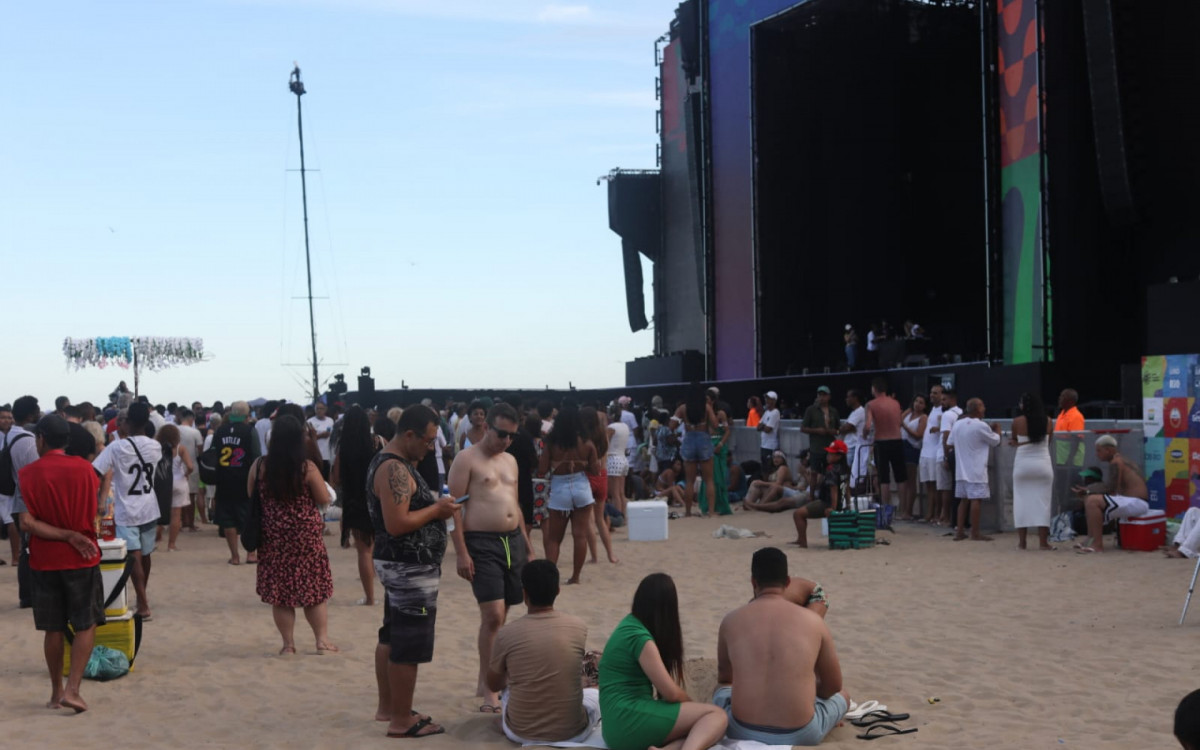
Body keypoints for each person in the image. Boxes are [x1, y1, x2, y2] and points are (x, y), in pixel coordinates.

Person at [367, 405, 460, 738]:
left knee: (392, 635)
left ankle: (391, 708)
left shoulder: (392, 462)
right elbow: (397, 523)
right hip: (408, 567)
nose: (431, 447)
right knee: (408, 643)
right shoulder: (393, 467)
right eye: (428, 440)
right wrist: (437, 510)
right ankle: (401, 720)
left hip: (401, 564)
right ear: (409, 435)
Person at [448, 402, 535, 714]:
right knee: (493, 615)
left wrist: (528, 545)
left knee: (505, 610)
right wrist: (461, 552)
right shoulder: (466, 459)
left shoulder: (510, 460)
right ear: (486, 427)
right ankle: (490, 690)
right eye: (501, 434)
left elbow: (515, 504)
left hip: (512, 540)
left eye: (512, 436)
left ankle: (488, 675)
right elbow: (453, 508)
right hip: (481, 542)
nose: (506, 441)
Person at [714, 547, 847, 746]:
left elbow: (725, 678)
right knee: (844, 696)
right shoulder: (814, 621)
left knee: (722, 690)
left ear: (753, 582)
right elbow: (833, 686)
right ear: (788, 582)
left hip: (740, 729)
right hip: (802, 733)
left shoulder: (731, 620)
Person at [19, 415, 103, 713]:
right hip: (83, 556)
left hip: (44, 560)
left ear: (41, 438)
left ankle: (56, 692)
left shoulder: (28, 474)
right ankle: (73, 689)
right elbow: (95, 509)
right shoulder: (86, 470)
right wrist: (71, 534)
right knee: (86, 623)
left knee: (52, 628)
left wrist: (63, 535)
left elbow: (27, 522)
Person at [599, 573, 727, 750]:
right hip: (627, 720)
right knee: (716, 716)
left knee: (697, 733)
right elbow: (671, 693)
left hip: (614, 725)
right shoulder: (640, 638)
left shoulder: (628, 625)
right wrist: (691, 705)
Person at [247, 415, 336, 654]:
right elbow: (323, 498)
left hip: (273, 536)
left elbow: (251, 495)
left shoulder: (259, 466)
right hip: (306, 535)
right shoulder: (307, 467)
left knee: (281, 594)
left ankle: (288, 644)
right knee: (314, 590)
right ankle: (321, 641)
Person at [486, 559, 600, 745]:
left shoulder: (507, 633)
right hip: (573, 732)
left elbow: (493, 684)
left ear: (524, 593)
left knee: (509, 686)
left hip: (520, 733)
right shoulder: (578, 626)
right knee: (593, 695)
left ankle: (506, 722)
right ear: (558, 591)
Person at [92, 402, 161, 619]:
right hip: (150, 506)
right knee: (146, 554)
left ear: (128, 422)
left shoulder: (116, 447)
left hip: (126, 510)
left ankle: (143, 603)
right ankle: (142, 596)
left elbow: (95, 471)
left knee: (133, 555)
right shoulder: (155, 446)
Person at [538, 403, 600, 586]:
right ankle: (575, 576)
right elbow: (596, 471)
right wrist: (581, 464)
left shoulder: (552, 443)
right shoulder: (587, 443)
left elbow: (542, 470)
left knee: (554, 538)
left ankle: (550, 577)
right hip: (581, 486)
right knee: (580, 535)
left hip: (560, 488)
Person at [332, 405, 380, 606]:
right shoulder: (377, 443)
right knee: (377, 548)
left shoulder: (344, 447)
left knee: (364, 552)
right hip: (377, 501)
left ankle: (369, 597)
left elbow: (336, 479)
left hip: (354, 502)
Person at [1073, 435, 1149, 554]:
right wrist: (1088, 491)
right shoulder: (1121, 460)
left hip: (1137, 503)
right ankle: (1090, 539)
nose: (1097, 454)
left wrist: (1088, 490)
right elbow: (1111, 488)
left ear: (1108, 450)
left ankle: (1097, 545)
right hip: (1136, 501)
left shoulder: (1116, 462)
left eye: (1099, 451)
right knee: (1089, 499)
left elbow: (1111, 489)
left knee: (1092, 501)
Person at [209, 401, 260, 565]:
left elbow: (213, 454)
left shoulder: (220, 431)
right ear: (247, 415)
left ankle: (235, 556)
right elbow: (256, 456)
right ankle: (251, 553)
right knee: (247, 517)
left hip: (224, 479)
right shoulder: (250, 431)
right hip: (245, 480)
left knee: (228, 520)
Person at [946, 398, 1002, 542]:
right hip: (976, 469)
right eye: (982, 406)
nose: (984, 409)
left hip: (961, 469)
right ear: (977, 409)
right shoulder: (981, 425)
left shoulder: (958, 424)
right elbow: (995, 441)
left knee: (963, 500)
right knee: (976, 499)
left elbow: (949, 442)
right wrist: (997, 430)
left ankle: (959, 531)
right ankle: (975, 533)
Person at [1010, 392, 1055, 550]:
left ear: (1024, 405)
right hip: (1043, 464)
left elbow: (1015, 440)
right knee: (1043, 504)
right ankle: (1043, 542)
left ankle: (1022, 543)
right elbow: (1048, 442)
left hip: (1023, 465)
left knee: (1021, 503)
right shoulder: (1048, 421)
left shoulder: (1017, 421)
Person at [792, 441, 849, 548]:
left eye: (831, 454)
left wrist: (833, 508)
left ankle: (802, 541)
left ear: (839, 456)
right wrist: (848, 505)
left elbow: (833, 489)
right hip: (839, 503)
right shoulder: (845, 469)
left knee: (798, 514)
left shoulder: (831, 469)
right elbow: (847, 488)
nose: (828, 456)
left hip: (827, 503)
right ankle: (800, 539)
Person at [579, 406, 618, 565]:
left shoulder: (582, 438)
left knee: (589, 520)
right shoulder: (604, 436)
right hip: (602, 476)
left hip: (587, 477)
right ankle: (610, 555)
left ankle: (594, 556)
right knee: (600, 520)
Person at [674, 386, 718, 518]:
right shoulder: (706, 407)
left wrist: (682, 421)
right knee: (709, 480)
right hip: (703, 438)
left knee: (689, 481)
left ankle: (688, 512)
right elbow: (715, 425)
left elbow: (672, 425)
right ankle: (711, 512)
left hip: (689, 438)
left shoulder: (683, 408)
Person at [864, 377, 905, 509]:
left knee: (884, 478)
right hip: (897, 440)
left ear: (874, 389)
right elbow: (899, 422)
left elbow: (868, 425)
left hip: (881, 441)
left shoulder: (871, 404)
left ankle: (885, 508)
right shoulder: (895, 403)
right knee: (900, 477)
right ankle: (904, 510)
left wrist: (864, 434)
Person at [157, 424, 195, 552]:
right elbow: (190, 466)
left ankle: (156, 537)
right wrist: (186, 474)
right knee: (176, 515)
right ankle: (171, 545)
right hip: (179, 481)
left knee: (159, 512)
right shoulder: (180, 449)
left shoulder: (157, 448)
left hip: (163, 482)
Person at [700, 388, 733, 516]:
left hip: (719, 445)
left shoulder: (721, 414)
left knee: (719, 477)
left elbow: (727, 431)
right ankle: (708, 506)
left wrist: (720, 444)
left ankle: (720, 506)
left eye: (707, 400)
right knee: (709, 477)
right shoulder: (703, 414)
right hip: (708, 445)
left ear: (713, 401)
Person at [174, 408, 205, 530]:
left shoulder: (175, 430)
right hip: (192, 465)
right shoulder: (195, 432)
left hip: (176, 465)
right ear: (191, 419)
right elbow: (200, 450)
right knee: (191, 495)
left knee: (178, 496)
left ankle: (180, 522)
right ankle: (190, 523)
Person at [899, 395, 927, 521]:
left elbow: (918, 435)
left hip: (912, 447)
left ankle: (909, 510)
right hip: (902, 445)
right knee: (903, 480)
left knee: (910, 480)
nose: (918, 404)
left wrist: (905, 427)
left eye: (921, 402)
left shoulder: (923, 417)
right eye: (916, 401)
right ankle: (902, 509)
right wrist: (906, 412)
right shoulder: (909, 413)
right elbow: (899, 420)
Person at [936, 388, 962, 526]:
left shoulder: (947, 415)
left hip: (945, 453)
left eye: (944, 399)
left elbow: (946, 435)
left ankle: (946, 517)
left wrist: (946, 457)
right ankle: (947, 516)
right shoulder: (962, 413)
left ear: (952, 399)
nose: (942, 402)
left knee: (945, 487)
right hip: (958, 454)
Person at [800, 386, 839, 479]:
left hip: (830, 447)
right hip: (816, 448)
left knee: (831, 472)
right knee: (814, 473)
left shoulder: (833, 411)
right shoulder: (811, 410)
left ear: (829, 397)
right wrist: (816, 430)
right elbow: (803, 428)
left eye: (824, 395)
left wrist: (831, 431)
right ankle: (813, 489)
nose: (822, 397)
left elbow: (838, 430)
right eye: (820, 395)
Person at [919, 384, 945, 524]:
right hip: (925, 452)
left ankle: (936, 514)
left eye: (936, 393)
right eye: (931, 392)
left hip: (934, 453)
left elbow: (945, 429)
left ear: (942, 395)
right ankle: (929, 514)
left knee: (936, 487)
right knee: (929, 487)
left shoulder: (943, 410)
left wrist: (938, 428)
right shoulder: (932, 410)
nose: (932, 395)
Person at [838, 390, 870, 492]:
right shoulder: (853, 412)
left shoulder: (860, 411)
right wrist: (845, 428)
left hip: (854, 446)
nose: (846, 399)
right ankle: (847, 494)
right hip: (849, 446)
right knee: (846, 473)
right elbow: (847, 427)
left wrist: (842, 429)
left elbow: (848, 427)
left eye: (848, 397)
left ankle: (850, 494)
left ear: (855, 398)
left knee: (850, 473)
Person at [606, 404, 632, 517]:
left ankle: (617, 517)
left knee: (614, 494)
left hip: (613, 460)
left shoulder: (611, 428)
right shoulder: (625, 426)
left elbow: (605, 444)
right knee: (621, 493)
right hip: (623, 459)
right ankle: (624, 516)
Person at [306, 401, 335, 479]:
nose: (319, 410)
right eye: (317, 408)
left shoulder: (330, 421)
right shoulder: (310, 421)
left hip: (327, 455)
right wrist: (320, 436)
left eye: (321, 408)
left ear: (325, 409)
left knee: (326, 478)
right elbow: (307, 438)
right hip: (315, 455)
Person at [757, 391, 781, 467]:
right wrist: (763, 426)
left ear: (774, 400)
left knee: (770, 467)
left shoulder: (775, 412)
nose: (766, 401)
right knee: (764, 466)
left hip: (771, 446)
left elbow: (768, 429)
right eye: (766, 399)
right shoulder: (766, 412)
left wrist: (763, 426)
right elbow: (758, 427)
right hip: (763, 445)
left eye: (769, 399)